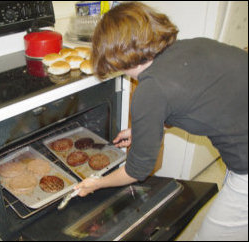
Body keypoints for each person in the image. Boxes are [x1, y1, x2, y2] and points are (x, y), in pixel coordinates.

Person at [74, 2, 248, 241]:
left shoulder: (150, 90)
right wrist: (145, 130)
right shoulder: (191, 46)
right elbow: (193, 100)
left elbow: (137, 171)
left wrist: (97, 183)